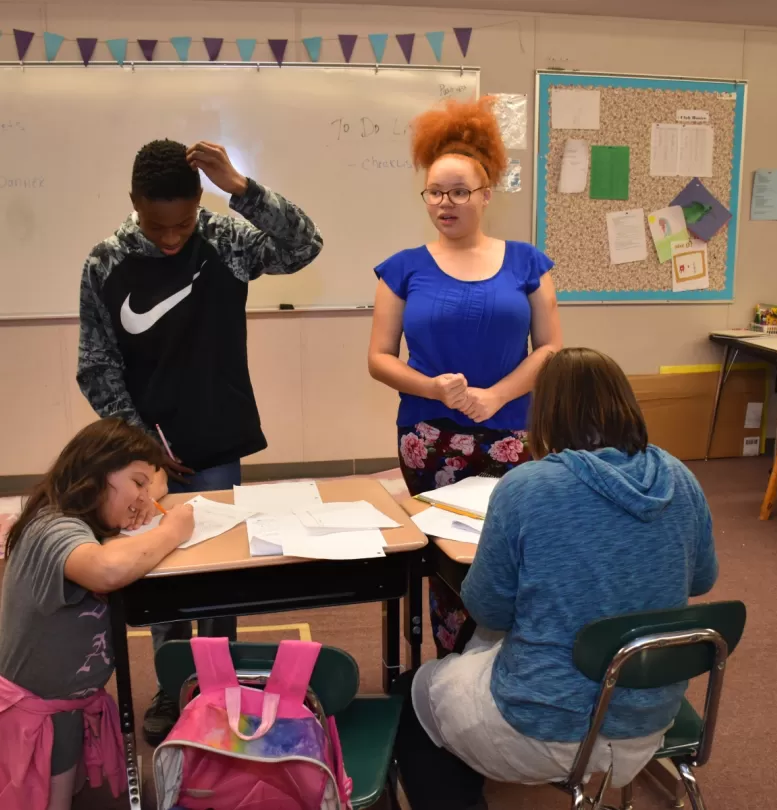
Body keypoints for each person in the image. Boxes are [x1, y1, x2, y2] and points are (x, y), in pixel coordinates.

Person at [393, 347, 720, 810]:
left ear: (544, 414)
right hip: (647, 720)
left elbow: (488, 610)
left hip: (542, 725)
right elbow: (702, 578)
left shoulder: (527, 487)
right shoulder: (680, 477)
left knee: (414, 694)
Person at [76, 138, 323, 744]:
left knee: (217, 578)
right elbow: (96, 365)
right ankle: (172, 684)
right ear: (133, 202)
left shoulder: (223, 237)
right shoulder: (106, 262)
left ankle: (219, 684)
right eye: (157, 224)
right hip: (143, 455)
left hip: (215, 441)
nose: (171, 237)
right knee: (159, 574)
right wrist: (141, 447)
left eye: (183, 221)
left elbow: (303, 246)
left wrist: (240, 188)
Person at [367, 97, 563, 657]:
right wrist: (432, 388)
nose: (445, 203)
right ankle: (451, 670)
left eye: (459, 191)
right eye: (434, 191)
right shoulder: (402, 268)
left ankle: (512, 665)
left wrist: (497, 394)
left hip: (512, 432)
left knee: (509, 553)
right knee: (445, 559)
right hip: (429, 436)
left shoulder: (528, 262)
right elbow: (379, 358)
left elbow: (550, 347)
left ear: (486, 194)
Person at [0, 418, 194, 810]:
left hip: (65, 708)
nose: (145, 498)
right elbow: (106, 571)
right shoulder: (51, 527)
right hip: (33, 719)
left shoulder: (86, 516)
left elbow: (158, 482)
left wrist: (143, 488)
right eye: (136, 484)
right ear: (98, 471)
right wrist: (173, 529)